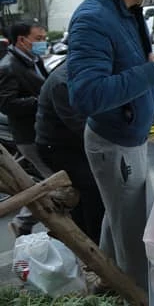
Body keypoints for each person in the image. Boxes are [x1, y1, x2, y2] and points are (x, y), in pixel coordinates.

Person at [67, 0, 154, 289]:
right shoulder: (93, 19)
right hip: (113, 145)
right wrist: (152, 72)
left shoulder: (129, 12)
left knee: (118, 217)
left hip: (132, 137)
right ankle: (134, 292)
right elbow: (86, 96)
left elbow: (144, 60)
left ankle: (103, 281)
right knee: (132, 233)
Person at [35, 63, 104, 244]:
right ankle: (96, 242)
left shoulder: (83, 74)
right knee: (92, 188)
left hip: (73, 143)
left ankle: (84, 236)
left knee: (86, 191)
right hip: (56, 147)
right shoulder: (62, 82)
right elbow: (78, 124)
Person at [0, 22, 51, 236]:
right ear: (22, 40)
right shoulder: (8, 66)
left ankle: (24, 222)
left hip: (42, 130)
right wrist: (40, 101)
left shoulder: (33, 59)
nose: (43, 43)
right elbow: (6, 104)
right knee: (56, 182)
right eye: (39, 39)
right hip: (28, 135)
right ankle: (26, 222)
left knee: (49, 181)